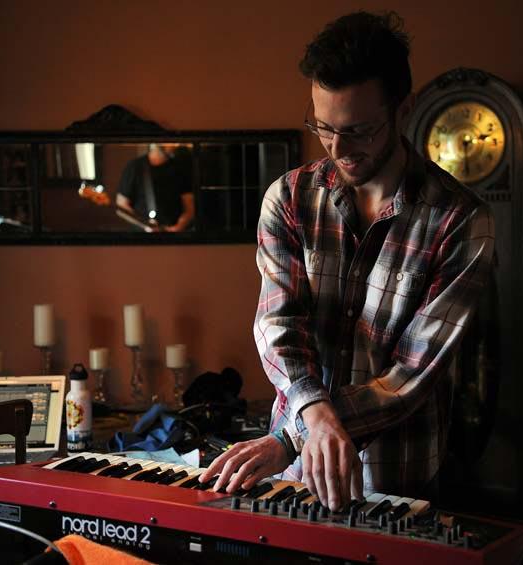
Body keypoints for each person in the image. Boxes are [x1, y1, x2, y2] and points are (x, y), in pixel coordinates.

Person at [199, 10, 495, 512]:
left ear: (405, 110)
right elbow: (278, 326)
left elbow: (411, 374)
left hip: (400, 484)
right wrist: (311, 420)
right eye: (323, 127)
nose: (339, 149)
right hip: (289, 479)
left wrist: (293, 435)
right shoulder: (289, 198)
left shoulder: (462, 221)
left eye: (359, 131)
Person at [116, 143, 194, 232]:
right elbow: (122, 207)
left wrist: (178, 227)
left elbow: (190, 207)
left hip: (173, 237)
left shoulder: (180, 168)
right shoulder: (135, 166)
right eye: (170, 142)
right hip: (142, 236)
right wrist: (144, 225)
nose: (175, 145)